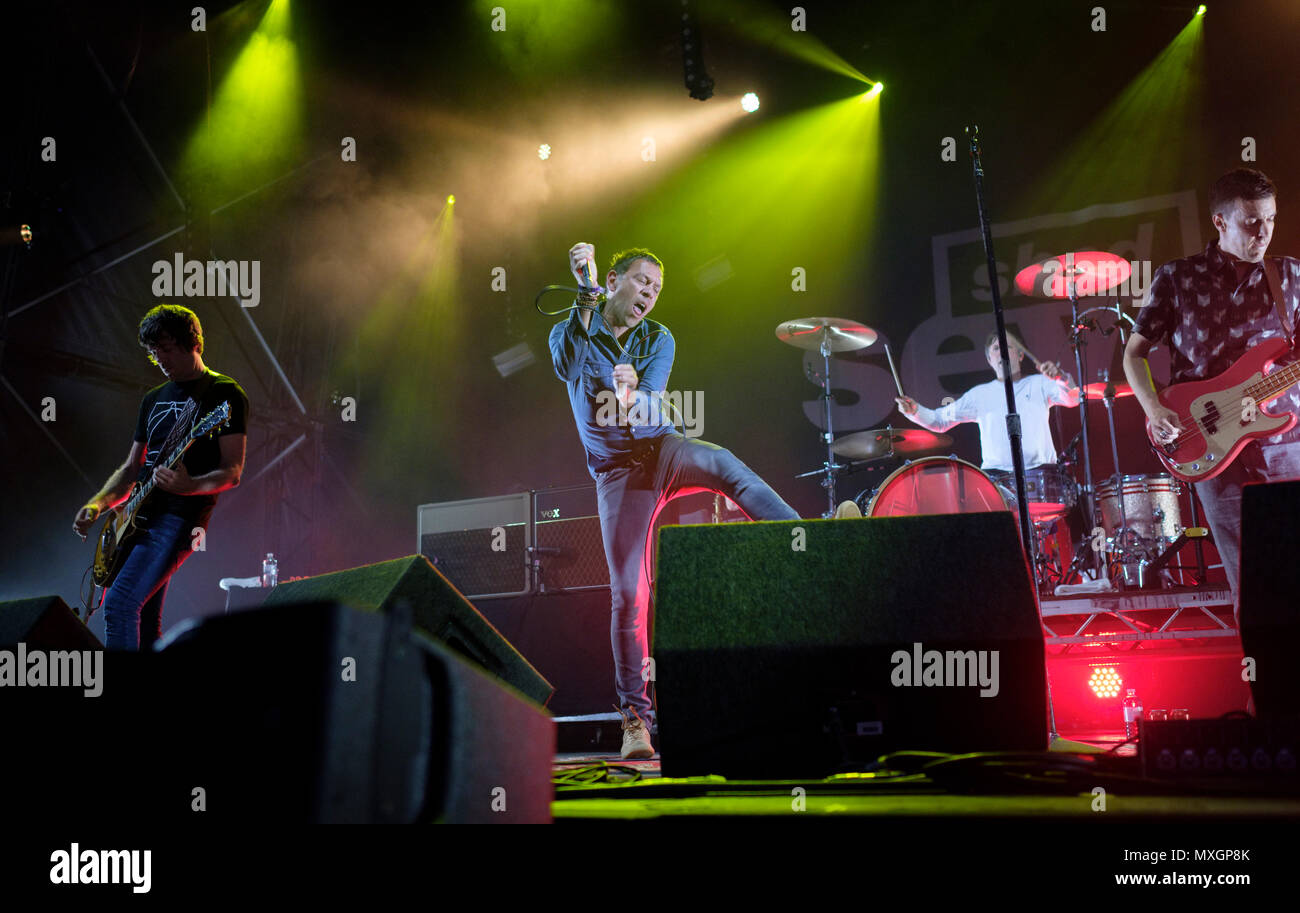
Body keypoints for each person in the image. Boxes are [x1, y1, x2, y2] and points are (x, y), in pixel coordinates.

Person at [549, 243, 800, 760]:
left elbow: (651, 405)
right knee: (627, 593)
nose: (650, 295)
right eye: (643, 283)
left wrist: (631, 397)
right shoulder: (572, 327)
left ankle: (813, 538)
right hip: (618, 475)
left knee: (727, 466)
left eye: (657, 291)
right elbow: (566, 365)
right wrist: (583, 294)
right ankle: (636, 722)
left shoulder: (658, 337)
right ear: (613, 279)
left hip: (662, 449)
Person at [1124, 167, 1300, 620]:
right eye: (1250, 222)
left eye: (1270, 220)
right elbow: (1134, 354)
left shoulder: (1291, 278)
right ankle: (1263, 683)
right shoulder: (1177, 278)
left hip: (1285, 445)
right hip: (1214, 446)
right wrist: (1154, 406)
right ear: (1220, 222)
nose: (1263, 233)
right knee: (1250, 581)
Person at [73, 304, 248, 650]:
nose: (160, 360)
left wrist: (191, 485)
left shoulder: (223, 394)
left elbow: (233, 471)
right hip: (135, 519)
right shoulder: (153, 398)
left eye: (166, 350)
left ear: (193, 343)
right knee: (146, 620)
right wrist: (97, 505)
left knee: (120, 606)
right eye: (154, 354)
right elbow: (129, 470)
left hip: (179, 520)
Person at [894, 331, 1080, 474]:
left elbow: (1073, 398)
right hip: (997, 477)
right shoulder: (979, 395)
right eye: (996, 349)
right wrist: (914, 411)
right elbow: (940, 421)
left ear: (1021, 355)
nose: (1002, 352)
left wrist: (1060, 377)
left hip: (1042, 472)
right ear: (989, 359)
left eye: (1008, 346)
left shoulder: (1040, 383)